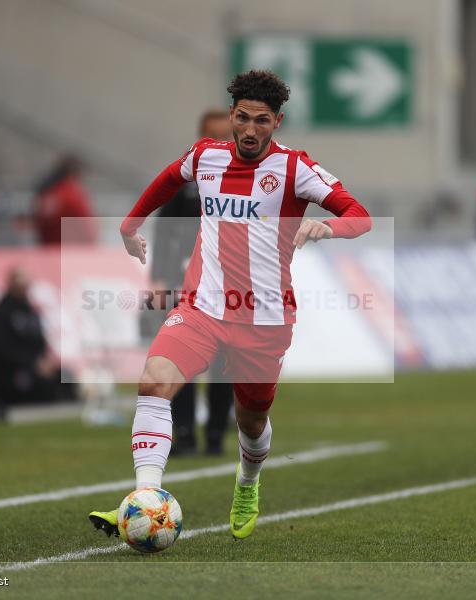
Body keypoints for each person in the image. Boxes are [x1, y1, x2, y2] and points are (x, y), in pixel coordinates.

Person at [89, 70, 371, 540]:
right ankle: (145, 497)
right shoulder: (205, 156)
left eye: (262, 120)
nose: (250, 129)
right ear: (232, 117)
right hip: (202, 307)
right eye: (243, 117)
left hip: (265, 321)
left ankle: (247, 481)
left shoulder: (296, 168)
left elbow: (358, 216)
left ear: (276, 123)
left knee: (252, 420)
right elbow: (165, 180)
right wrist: (128, 225)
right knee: (154, 380)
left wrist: (329, 227)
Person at [149, 109, 233, 456]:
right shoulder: (184, 177)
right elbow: (163, 228)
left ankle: (215, 433)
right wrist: (159, 277)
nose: (219, 142)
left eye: (224, 135)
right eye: (212, 135)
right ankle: (183, 434)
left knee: (224, 363)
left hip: (229, 284)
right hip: (184, 281)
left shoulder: (246, 177)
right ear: (201, 135)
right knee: (180, 358)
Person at [0, 268, 60, 411]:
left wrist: (43, 362)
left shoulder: (30, 311)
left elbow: (40, 342)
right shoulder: (2, 314)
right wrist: (32, 363)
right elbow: (2, 349)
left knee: (62, 377)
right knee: (39, 385)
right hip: (10, 372)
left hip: (32, 366)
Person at [34, 155, 98, 245]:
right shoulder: (72, 194)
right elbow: (87, 227)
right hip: (70, 251)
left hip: (47, 250)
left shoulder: (49, 193)